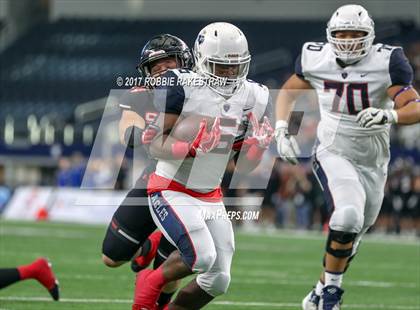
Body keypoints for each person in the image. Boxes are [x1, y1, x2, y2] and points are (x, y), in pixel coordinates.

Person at [275, 4, 420, 310]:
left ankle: (317, 293)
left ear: (370, 36)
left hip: (374, 159)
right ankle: (330, 297)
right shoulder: (317, 57)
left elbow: (414, 106)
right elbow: (291, 92)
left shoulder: (387, 60)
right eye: (342, 34)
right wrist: (284, 129)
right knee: (347, 217)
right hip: (333, 150)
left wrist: (389, 114)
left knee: (354, 233)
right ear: (330, 35)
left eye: (356, 34)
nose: (349, 40)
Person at [132, 22, 273, 310]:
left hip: (209, 193)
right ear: (202, 61)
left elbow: (243, 167)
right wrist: (190, 148)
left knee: (218, 279)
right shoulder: (180, 85)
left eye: (235, 67)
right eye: (221, 67)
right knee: (202, 257)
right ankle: (150, 282)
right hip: (171, 188)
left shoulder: (254, 96)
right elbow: (155, 145)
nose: (230, 73)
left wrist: (257, 147)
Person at [100, 34, 194, 309]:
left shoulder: (203, 94)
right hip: (157, 177)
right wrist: (143, 134)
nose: (163, 71)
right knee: (111, 257)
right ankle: (150, 242)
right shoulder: (139, 96)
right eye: (156, 67)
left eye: (169, 63)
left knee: (171, 267)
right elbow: (128, 131)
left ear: (184, 63)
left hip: (195, 188)